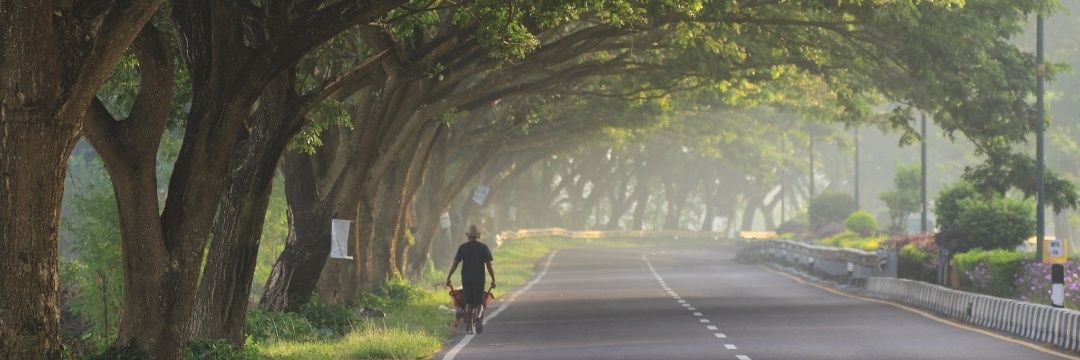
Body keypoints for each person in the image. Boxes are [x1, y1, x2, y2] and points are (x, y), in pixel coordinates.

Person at [446, 225, 496, 334]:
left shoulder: (462, 248)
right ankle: (478, 317)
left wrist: (449, 277)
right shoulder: (484, 248)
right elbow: (489, 266)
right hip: (479, 278)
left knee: (468, 302)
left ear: (468, 236)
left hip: (466, 279)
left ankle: (469, 327)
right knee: (479, 302)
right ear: (478, 236)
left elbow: (455, 264)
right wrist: (493, 279)